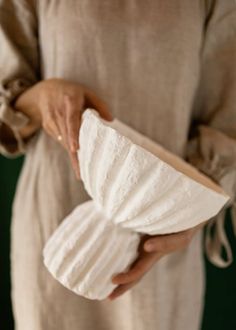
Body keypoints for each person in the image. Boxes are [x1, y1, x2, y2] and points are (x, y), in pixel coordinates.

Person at [0, 1, 235, 329]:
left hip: (159, 232)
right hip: (56, 221)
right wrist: (43, 97)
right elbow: (6, 105)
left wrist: (191, 216)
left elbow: (227, 123)